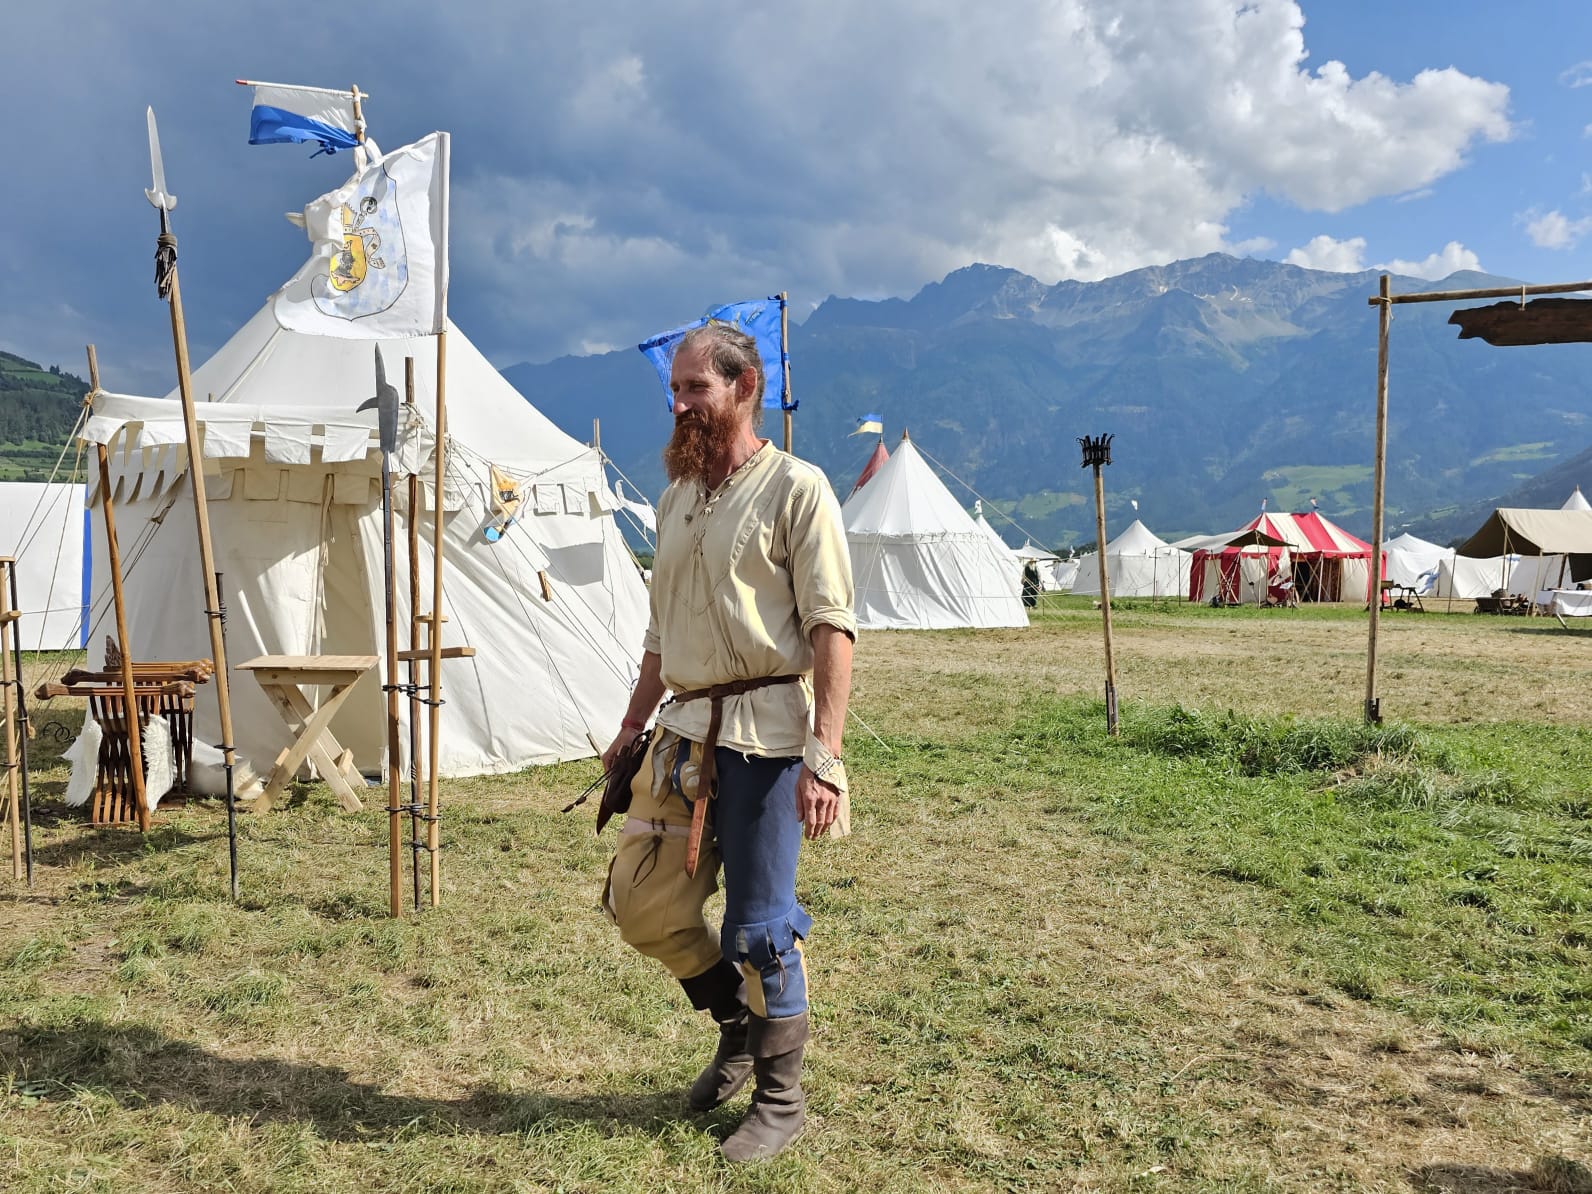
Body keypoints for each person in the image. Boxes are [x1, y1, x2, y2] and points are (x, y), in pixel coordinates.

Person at [599, 322, 856, 1162]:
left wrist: (824, 756)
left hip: (767, 738)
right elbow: (658, 636)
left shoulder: (797, 489)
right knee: (640, 902)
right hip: (681, 733)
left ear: (745, 388)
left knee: (760, 932)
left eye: (695, 389)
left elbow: (831, 628)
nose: (679, 405)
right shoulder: (675, 498)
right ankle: (737, 1026)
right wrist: (631, 726)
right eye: (674, 390)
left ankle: (781, 1101)